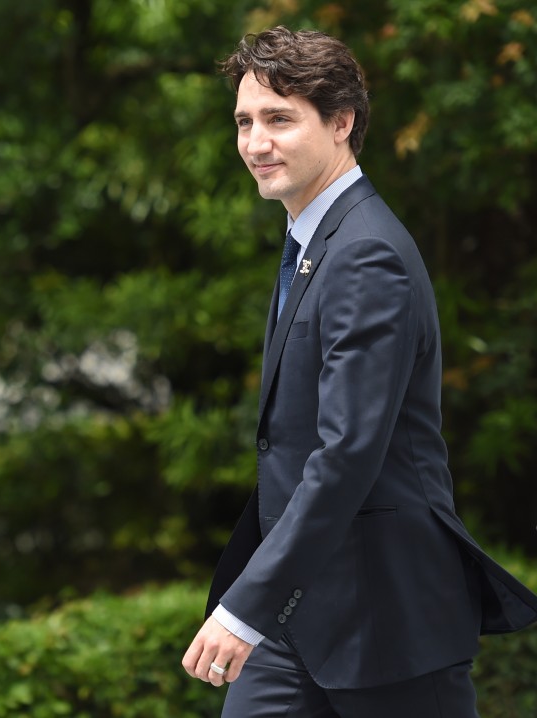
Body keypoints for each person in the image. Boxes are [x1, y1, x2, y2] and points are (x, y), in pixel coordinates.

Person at [180, 26, 537, 717]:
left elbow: (346, 453)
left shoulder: (367, 253)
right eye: (245, 122)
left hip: (387, 624)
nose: (256, 143)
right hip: (301, 618)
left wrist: (244, 606)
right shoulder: (315, 242)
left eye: (280, 119)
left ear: (341, 122)